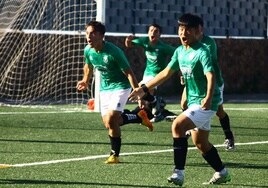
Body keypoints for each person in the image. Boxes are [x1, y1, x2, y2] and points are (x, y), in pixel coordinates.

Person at [129, 13, 231, 186]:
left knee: (177, 125)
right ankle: (222, 172)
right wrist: (143, 89)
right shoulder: (179, 51)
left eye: (188, 30)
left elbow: (211, 76)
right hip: (194, 101)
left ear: (197, 32)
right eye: (181, 29)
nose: (183, 34)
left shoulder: (203, 51)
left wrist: (207, 97)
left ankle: (179, 173)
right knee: (201, 143)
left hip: (206, 103)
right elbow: (166, 73)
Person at [76, 21, 154, 164]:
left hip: (121, 86)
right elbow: (88, 66)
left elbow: (129, 73)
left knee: (112, 119)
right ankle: (138, 116)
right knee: (110, 123)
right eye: (87, 33)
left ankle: (114, 155)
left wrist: (138, 93)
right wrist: (85, 80)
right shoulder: (88, 50)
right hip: (105, 89)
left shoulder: (114, 52)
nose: (89, 37)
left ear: (101, 35)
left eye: (92, 33)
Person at [180, 15, 235, 151]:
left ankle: (229, 136)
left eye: (190, 29)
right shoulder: (186, 44)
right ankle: (191, 125)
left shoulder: (208, 44)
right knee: (183, 103)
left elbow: (204, 63)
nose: (186, 32)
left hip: (213, 84)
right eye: (183, 29)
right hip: (194, 83)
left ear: (199, 29)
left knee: (219, 112)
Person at [125, 24, 176, 122]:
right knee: (141, 96)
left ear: (160, 35)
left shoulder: (163, 47)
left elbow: (178, 52)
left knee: (140, 89)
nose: (153, 32)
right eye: (151, 30)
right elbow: (130, 44)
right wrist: (128, 41)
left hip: (156, 76)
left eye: (156, 31)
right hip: (147, 74)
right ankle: (157, 109)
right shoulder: (144, 41)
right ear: (148, 33)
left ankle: (154, 107)